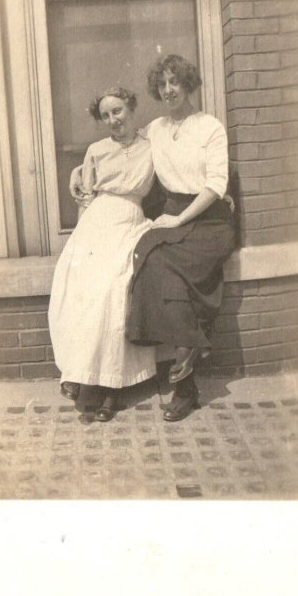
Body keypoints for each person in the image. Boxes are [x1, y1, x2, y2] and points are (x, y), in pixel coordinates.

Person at [127, 55, 235, 422]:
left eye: (174, 82)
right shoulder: (155, 128)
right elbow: (124, 147)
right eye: (162, 85)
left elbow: (216, 186)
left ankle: (186, 377)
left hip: (210, 220)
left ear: (187, 84)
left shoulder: (210, 127)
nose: (168, 90)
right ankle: (188, 356)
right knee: (150, 260)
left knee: (164, 263)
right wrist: (83, 166)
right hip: (175, 214)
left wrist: (177, 220)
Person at [48, 87, 157, 422]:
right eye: (106, 115)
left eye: (119, 111)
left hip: (129, 222)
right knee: (81, 286)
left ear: (132, 107)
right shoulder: (96, 150)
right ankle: (79, 376)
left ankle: (113, 388)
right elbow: (87, 198)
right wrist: (82, 242)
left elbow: (181, 169)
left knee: (115, 290)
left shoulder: (152, 146)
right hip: (96, 224)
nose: (113, 120)